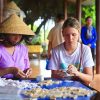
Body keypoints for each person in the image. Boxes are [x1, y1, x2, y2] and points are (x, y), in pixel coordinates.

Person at [47, 17, 94, 85]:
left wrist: (76, 73)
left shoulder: (85, 50)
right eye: (67, 35)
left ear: (79, 33)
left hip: (81, 89)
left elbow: (89, 78)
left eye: (74, 35)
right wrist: (61, 75)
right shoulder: (56, 51)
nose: (70, 38)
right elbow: (53, 75)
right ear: (62, 33)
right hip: (62, 89)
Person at [0, 14, 35, 79]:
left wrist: (28, 71)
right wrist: (10, 70)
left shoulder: (23, 49)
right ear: (6, 34)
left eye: (20, 35)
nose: (17, 38)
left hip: (20, 85)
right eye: (13, 34)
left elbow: (26, 67)